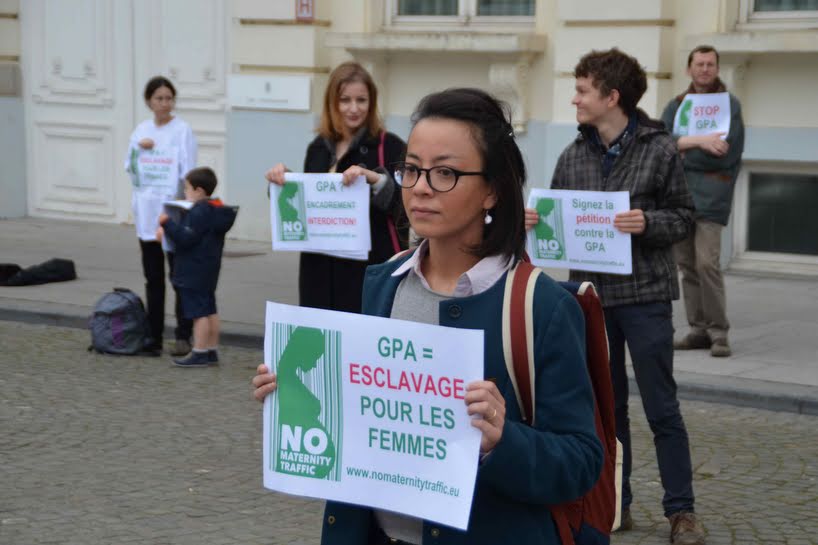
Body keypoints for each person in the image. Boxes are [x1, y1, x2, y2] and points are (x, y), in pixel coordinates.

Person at [253, 88, 603, 545]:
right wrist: (296, 391)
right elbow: (360, 418)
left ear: (493, 190)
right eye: (412, 169)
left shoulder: (540, 306)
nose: (419, 187)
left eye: (445, 173)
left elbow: (580, 462)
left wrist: (502, 441)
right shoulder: (383, 281)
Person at [538, 48, 704, 545]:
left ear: (612, 97)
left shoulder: (660, 150)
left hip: (646, 297)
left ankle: (682, 512)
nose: (575, 99)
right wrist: (535, 221)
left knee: (662, 408)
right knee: (607, 412)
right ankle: (616, 505)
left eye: (582, 91)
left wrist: (648, 222)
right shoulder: (572, 155)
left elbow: (685, 218)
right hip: (592, 300)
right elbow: (556, 221)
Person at [265, 61, 408, 314]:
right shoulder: (318, 147)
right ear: (333, 103)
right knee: (320, 332)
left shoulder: (389, 146)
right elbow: (307, 204)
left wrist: (374, 179)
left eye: (361, 100)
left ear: (372, 102)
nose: (354, 108)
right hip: (319, 271)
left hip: (367, 271)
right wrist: (284, 181)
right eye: (345, 100)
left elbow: (406, 203)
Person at [660, 45, 745, 358]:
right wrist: (702, 142)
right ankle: (698, 329)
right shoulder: (677, 105)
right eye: (699, 64)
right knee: (686, 265)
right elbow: (662, 145)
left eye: (710, 64)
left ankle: (718, 332)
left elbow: (727, 155)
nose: (705, 69)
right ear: (689, 69)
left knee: (707, 263)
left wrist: (685, 151)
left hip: (712, 197)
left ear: (717, 69)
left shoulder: (729, 106)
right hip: (679, 197)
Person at [125, 76, 196, 356]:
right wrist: (138, 150)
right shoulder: (141, 130)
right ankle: (153, 336)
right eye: (159, 98)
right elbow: (131, 168)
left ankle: (183, 334)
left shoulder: (182, 130)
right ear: (149, 102)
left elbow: (189, 171)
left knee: (179, 277)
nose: (165, 103)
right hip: (147, 213)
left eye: (169, 98)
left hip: (172, 214)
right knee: (153, 278)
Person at [156, 167, 236, 367]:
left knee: (198, 313)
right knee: (210, 309)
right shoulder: (216, 208)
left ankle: (199, 351)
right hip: (209, 267)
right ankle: (211, 350)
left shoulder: (199, 211)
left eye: (187, 188)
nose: (185, 192)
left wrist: (167, 224)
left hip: (193, 269)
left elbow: (186, 238)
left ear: (199, 190)